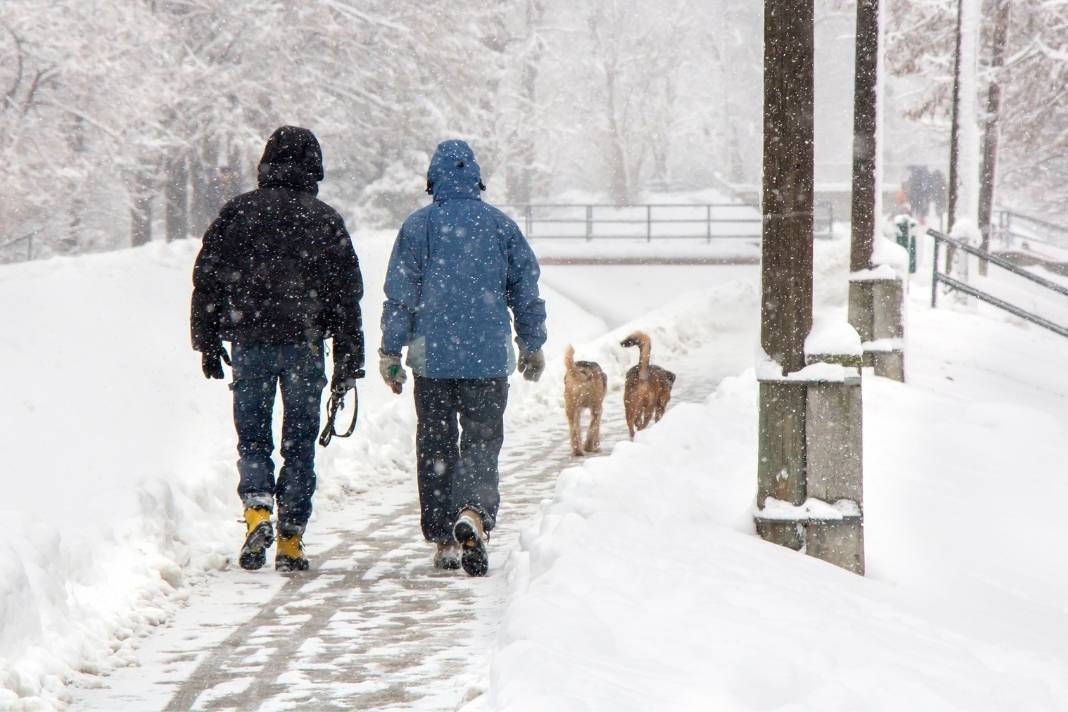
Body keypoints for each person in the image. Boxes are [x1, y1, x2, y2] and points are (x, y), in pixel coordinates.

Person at [191, 126, 365, 572]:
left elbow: (207, 277)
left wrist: (207, 340)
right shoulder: (325, 220)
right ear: (314, 166)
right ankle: (290, 539)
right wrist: (348, 359)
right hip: (305, 345)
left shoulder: (238, 213)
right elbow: (347, 296)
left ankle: (256, 508)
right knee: (299, 442)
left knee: (252, 438)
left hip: (249, 341)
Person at [380, 139, 546, 577]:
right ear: (477, 181)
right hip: (488, 359)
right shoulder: (500, 227)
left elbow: (400, 296)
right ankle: (472, 512)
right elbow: (526, 291)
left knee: (435, 444)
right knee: (481, 442)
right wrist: (532, 342)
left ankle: (442, 538)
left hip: (433, 360)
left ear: (433, 180)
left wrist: (390, 352)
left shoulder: (418, 228)